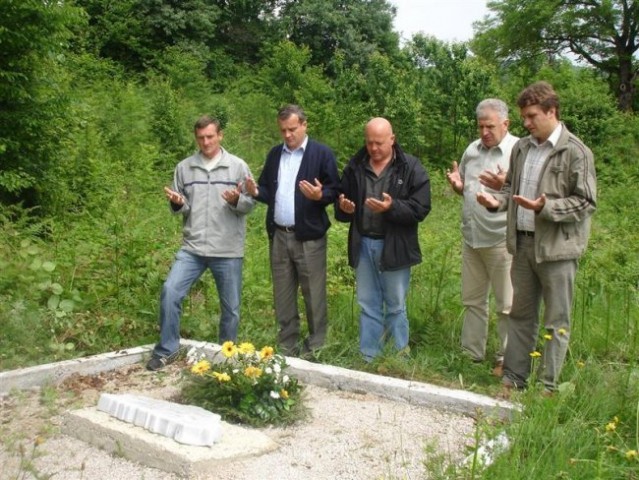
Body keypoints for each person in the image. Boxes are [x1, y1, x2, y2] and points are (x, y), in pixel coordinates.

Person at [476, 81, 597, 395]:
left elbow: (586, 202)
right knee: (521, 315)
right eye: (524, 117)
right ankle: (514, 380)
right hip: (522, 244)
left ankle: (547, 386)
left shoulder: (576, 152)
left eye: (531, 116)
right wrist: (497, 202)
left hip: (558, 250)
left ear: (551, 111)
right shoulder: (523, 147)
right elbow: (510, 190)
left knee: (556, 321)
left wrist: (547, 206)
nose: (526, 123)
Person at [147, 115, 256, 371]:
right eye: (201, 138)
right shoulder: (184, 167)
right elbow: (183, 206)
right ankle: (168, 349)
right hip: (193, 248)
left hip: (227, 249)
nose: (206, 142)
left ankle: (225, 358)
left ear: (220, 136)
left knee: (231, 309)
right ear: (196, 138)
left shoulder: (238, 167)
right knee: (170, 291)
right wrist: (176, 202)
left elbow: (250, 203)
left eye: (210, 136)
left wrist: (235, 200)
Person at [245, 105, 339, 357]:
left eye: (292, 129)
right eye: (283, 130)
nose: (287, 135)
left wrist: (321, 195)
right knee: (283, 294)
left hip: (309, 237)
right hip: (279, 235)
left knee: (313, 293)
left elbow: (334, 190)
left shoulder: (321, 154)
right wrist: (255, 192)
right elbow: (267, 190)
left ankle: (316, 346)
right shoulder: (276, 154)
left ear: (304, 125)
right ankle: (287, 346)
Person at [336, 117, 431, 361]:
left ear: (392, 139)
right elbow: (341, 202)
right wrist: (345, 209)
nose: (374, 148)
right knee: (368, 303)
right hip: (363, 243)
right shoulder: (355, 165)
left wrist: (391, 207)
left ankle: (398, 356)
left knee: (396, 304)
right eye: (369, 143)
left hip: (395, 246)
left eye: (379, 143)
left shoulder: (410, 167)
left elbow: (421, 208)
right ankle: (369, 355)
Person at [446, 99, 518, 375]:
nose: (485, 132)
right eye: (481, 126)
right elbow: (465, 186)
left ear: (505, 124)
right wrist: (458, 186)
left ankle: (507, 359)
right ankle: (471, 354)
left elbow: (524, 195)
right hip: (472, 237)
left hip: (501, 239)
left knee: (507, 304)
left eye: (490, 126)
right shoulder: (472, 151)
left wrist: (504, 187)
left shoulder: (516, 150)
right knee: (472, 300)